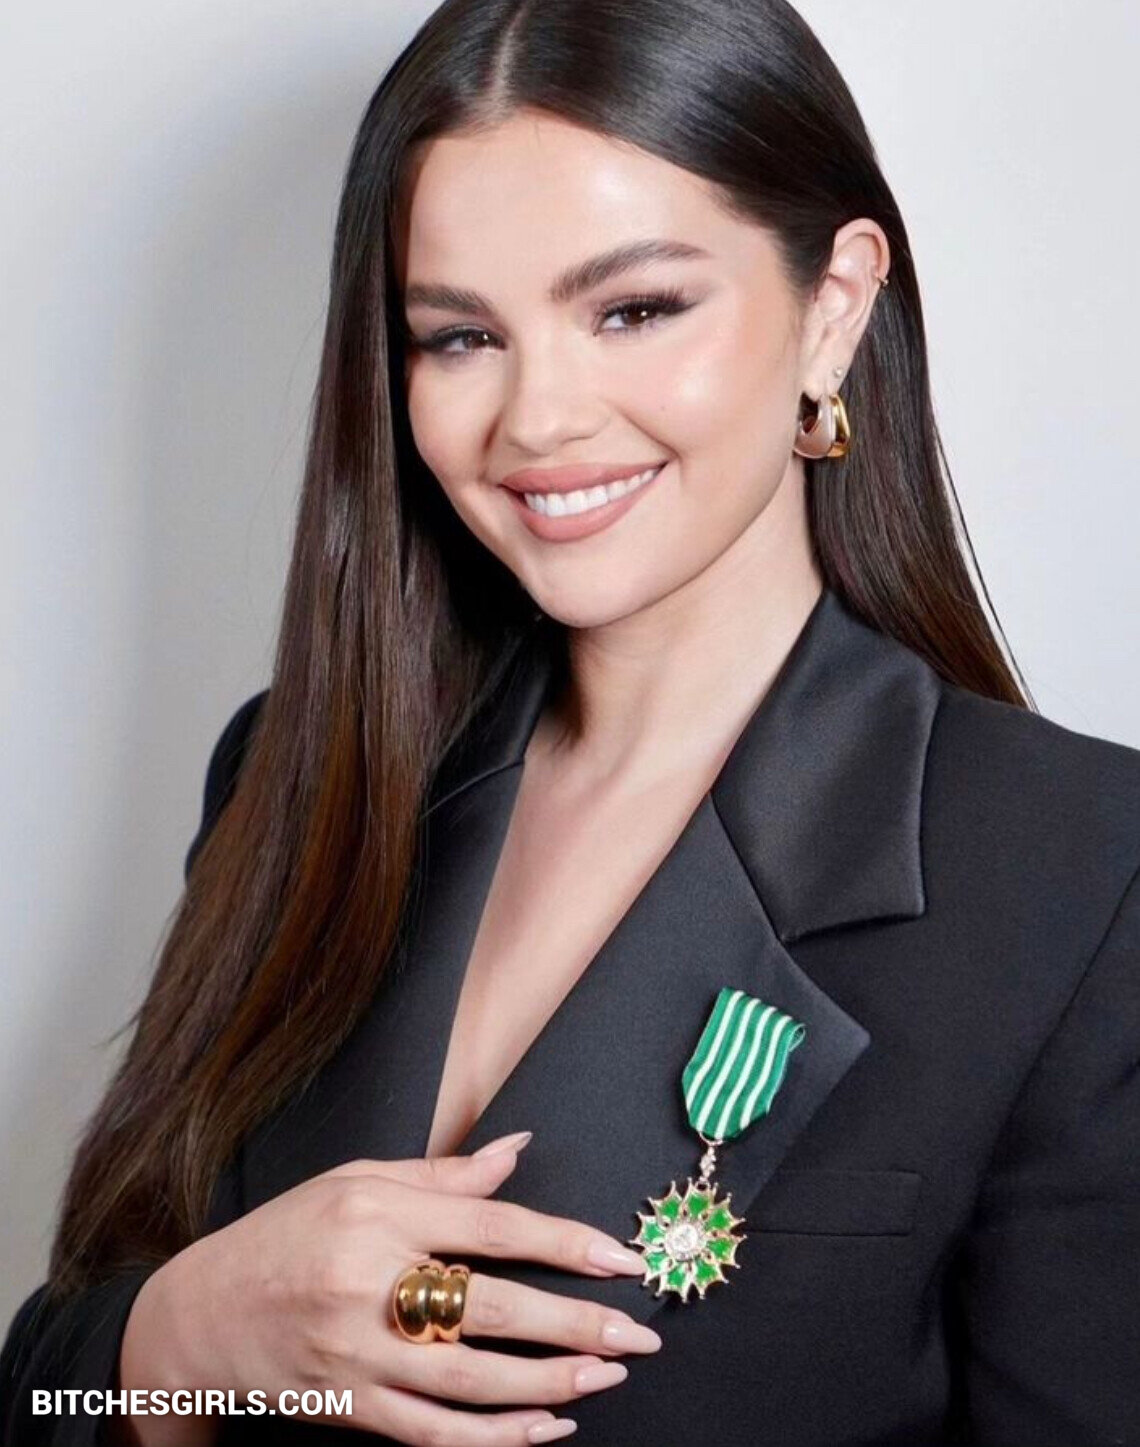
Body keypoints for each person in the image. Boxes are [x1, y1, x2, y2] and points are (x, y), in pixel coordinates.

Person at [3, 0, 1139, 1443]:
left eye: (634, 310)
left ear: (835, 307)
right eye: (460, 336)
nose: (537, 418)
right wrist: (179, 1342)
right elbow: (44, 1379)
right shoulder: (302, 774)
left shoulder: (1077, 872)